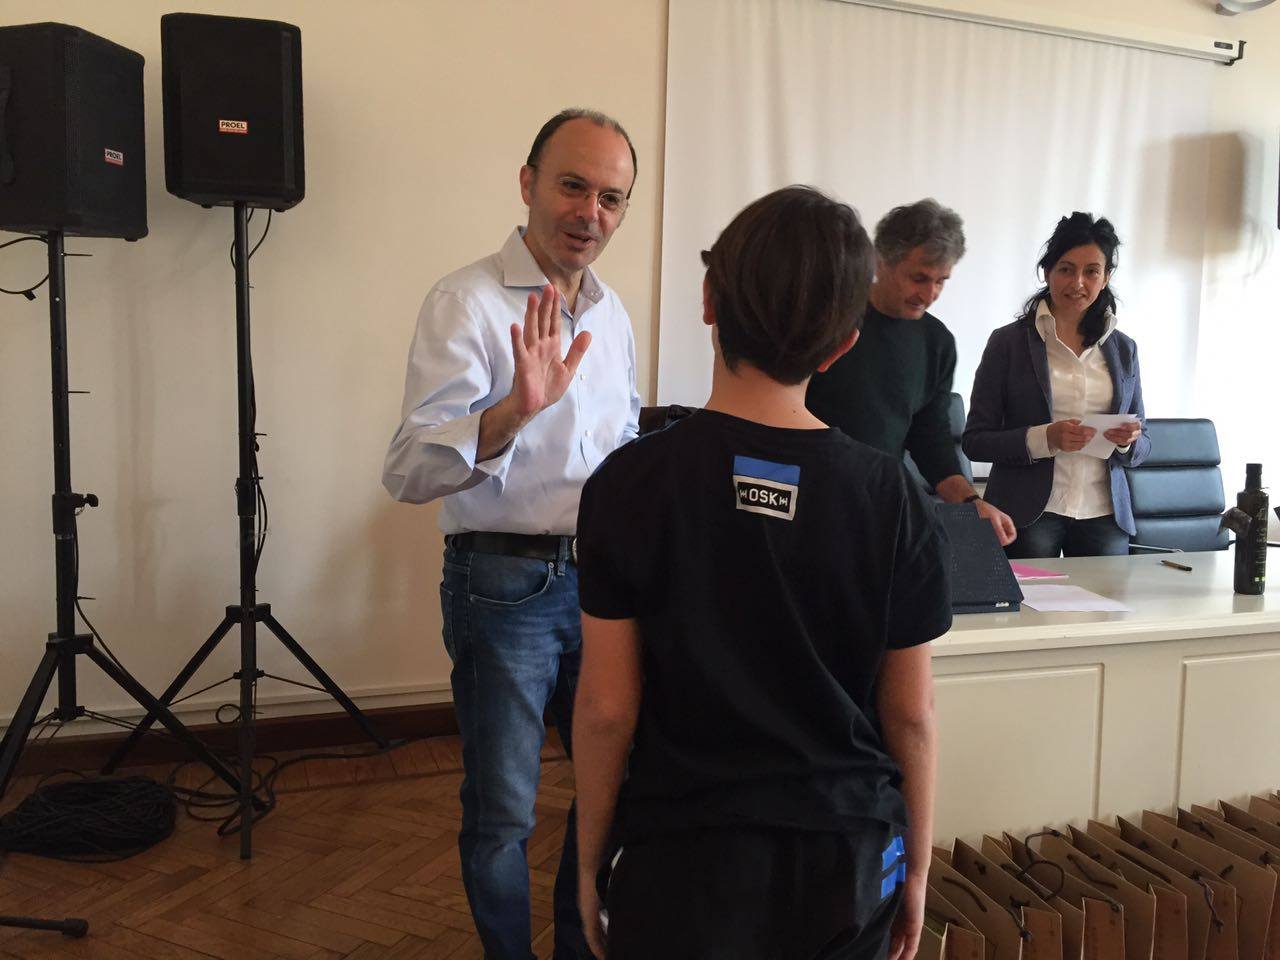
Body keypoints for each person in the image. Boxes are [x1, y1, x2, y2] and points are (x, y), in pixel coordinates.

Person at [572, 186, 950, 960]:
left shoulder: (628, 484)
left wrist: (586, 863)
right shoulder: (892, 496)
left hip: (681, 854)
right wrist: (915, 867)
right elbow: (911, 714)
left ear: (708, 301)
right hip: (849, 852)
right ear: (843, 346)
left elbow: (607, 709)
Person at [381, 108, 642, 960]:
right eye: (573, 186)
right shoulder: (465, 300)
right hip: (502, 586)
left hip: (603, 586)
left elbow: (619, 447)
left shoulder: (612, 314)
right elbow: (408, 471)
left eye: (611, 198)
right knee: (503, 811)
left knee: (609, 790)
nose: (590, 213)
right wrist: (512, 414)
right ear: (528, 183)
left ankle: (575, 946)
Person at [806, 198, 1016, 547]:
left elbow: (930, 440)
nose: (929, 294)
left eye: (941, 281)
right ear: (881, 261)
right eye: (918, 278)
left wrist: (971, 502)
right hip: (810, 500)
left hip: (878, 506)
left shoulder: (936, 342)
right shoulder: (827, 319)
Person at [961, 212, 1150, 558]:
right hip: (1029, 512)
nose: (1078, 282)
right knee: (1029, 596)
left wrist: (1126, 442)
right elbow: (975, 441)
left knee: (1106, 597)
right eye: (1066, 269)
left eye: (1091, 271)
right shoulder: (1008, 343)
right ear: (1047, 272)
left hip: (1104, 513)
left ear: (1106, 277)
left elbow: (1144, 444)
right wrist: (1045, 438)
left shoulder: (1124, 349)